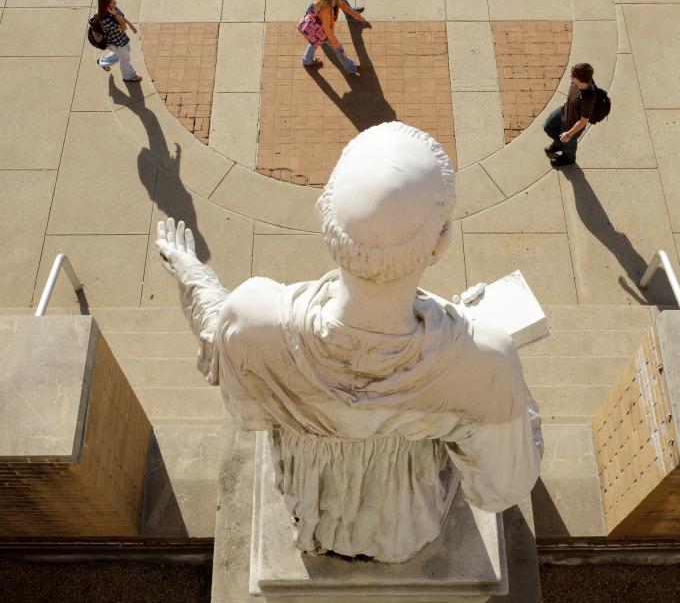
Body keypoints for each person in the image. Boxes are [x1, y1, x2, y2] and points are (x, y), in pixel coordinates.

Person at [156, 122, 542, 563]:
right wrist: (475, 346)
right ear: (441, 244)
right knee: (399, 533)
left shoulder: (252, 317)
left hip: (309, 494)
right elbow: (502, 487)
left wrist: (196, 278)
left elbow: (222, 344)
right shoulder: (484, 361)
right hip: (404, 515)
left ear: (323, 219)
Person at [301, 0, 366, 74]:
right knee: (339, 50)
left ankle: (307, 60)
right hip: (325, 31)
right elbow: (327, 29)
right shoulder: (326, 8)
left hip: (317, 29)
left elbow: (344, 7)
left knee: (315, 40)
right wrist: (335, 43)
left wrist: (358, 17)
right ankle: (351, 68)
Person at [544, 62, 596, 168]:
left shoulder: (588, 98)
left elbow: (583, 121)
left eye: (572, 75)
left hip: (572, 124)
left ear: (579, 78)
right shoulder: (579, 81)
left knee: (569, 143)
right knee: (548, 127)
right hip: (565, 110)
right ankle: (559, 144)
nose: (570, 76)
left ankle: (569, 158)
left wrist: (569, 134)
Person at [94, 0, 142, 83]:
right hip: (115, 43)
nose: (116, 3)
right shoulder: (105, 20)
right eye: (113, 2)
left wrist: (131, 25)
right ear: (106, 5)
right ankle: (128, 76)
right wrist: (115, 15)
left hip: (121, 38)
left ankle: (103, 62)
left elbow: (122, 17)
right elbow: (123, 27)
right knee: (126, 58)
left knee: (125, 52)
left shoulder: (113, 8)